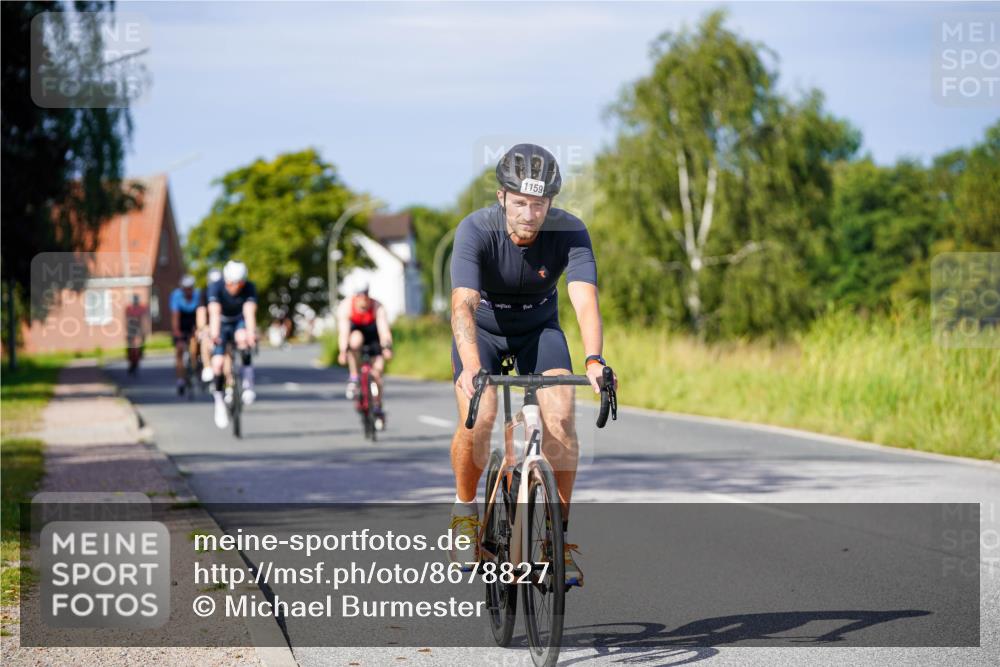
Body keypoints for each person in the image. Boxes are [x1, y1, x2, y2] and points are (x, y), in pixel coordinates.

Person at [448, 143, 615, 586]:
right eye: (520, 202)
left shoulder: (571, 232)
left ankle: (556, 542)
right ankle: (465, 513)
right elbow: (462, 307)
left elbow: (584, 298)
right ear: (502, 197)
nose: (529, 213)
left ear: (551, 203)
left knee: (560, 417)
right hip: (482, 333)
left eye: (538, 204)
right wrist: (470, 366)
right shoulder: (475, 231)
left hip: (538, 331)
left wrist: (594, 359)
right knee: (480, 417)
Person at [207, 261, 258, 429]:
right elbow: (214, 313)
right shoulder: (216, 287)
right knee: (218, 363)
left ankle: (248, 383)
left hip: (238, 321)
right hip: (221, 323)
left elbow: (249, 313)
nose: (234, 287)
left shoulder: (249, 288)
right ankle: (219, 402)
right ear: (226, 280)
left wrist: (251, 333)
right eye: (231, 283)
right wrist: (214, 335)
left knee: (243, 338)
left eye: (238, 284)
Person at [337, 284, 393, 428]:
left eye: (366, 297)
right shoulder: (345, 306)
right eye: (360, 297)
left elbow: (384, 330)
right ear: (355, 297)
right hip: (356, 334)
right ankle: (354, 377)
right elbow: (343, 332)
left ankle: (378, 406)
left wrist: (387, 347)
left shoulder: (377, 306)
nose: (363, 301)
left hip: (373, 335)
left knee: (377, 373)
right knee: (354, 341)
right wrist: (343, 351)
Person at [170, 275, 201, 395]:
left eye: (190, 288)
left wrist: (199, 330)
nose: (188, 291)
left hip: (193, 320)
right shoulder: (176, 296)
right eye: (186, 288)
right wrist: (177, 332)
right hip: (181, 321)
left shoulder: (197, 295)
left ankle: (196, 365)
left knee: (195, 346)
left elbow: (200, 314)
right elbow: (175, 315)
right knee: (179, 351)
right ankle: (180, 380)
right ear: (182, 288)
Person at [197, 268, 222, 383]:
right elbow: (201, 312)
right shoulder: (204, 293)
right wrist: (202, 328)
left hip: (223, 322)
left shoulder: (224, 292)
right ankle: (207, 366)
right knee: (205, 339)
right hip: (209, 322)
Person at [124, 294, 147, 374]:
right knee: (130, 346)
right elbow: (127, 319)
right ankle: (130, 359)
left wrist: (143, 331)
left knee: (139, 344)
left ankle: (140, 353)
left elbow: (143, 319)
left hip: (139, 328)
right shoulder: (129, 308)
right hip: (131, 328)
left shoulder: (142, 308)